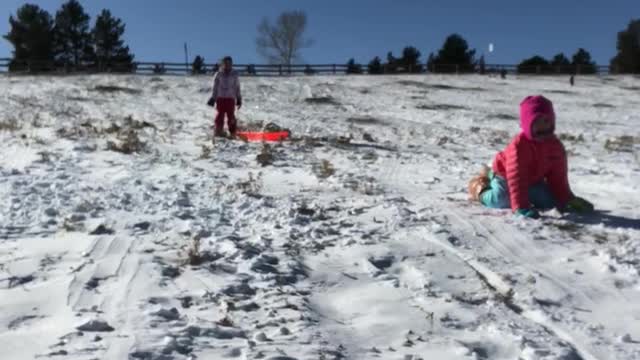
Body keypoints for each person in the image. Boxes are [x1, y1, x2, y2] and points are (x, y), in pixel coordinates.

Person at [468, 95, 593, 219]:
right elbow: (516, 178)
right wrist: (520, 206)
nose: (543, 126)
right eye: (537, 121)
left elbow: (558, 177)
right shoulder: (519, 146)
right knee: (501, 200)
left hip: (533, 180)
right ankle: (480, 187)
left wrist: (567, 200)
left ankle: (529, 196)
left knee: (549, 203)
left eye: (546, 121)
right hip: (506, 176)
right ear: (528, 123)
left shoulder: (555, 146)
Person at [208, 56, 242, 137]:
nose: (227, 65)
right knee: (220, 114)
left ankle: (232, 132)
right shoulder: (219, 74)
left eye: (229, 63)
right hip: (221, 98)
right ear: (222, 64)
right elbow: (215, 87)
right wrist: (213, 97)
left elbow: (237, 87)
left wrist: (239, 98)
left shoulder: (234, 74)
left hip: (230, 98)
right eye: (226, 63)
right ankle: (219, 130)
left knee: (231, 115)